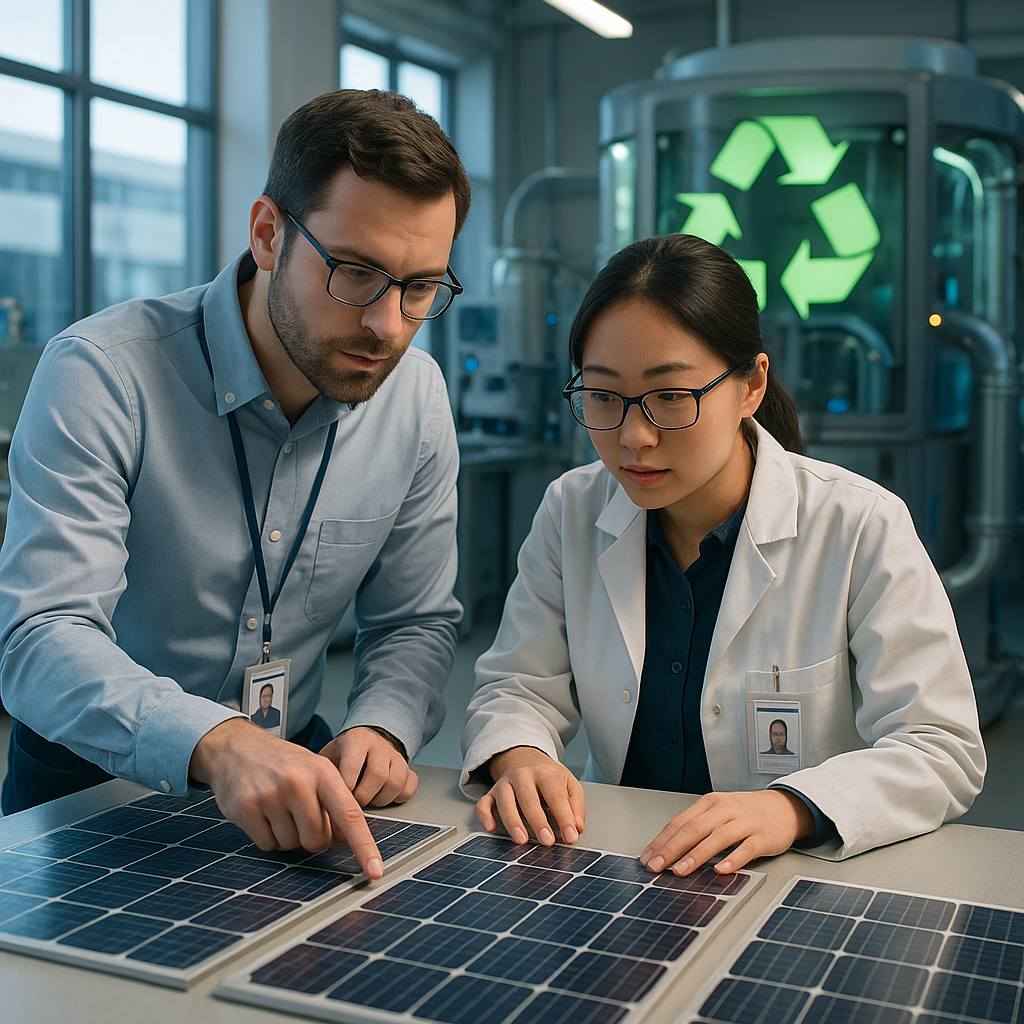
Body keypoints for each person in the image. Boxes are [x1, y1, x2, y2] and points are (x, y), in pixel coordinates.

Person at [0, 89, 471, 879]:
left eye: (420, 287)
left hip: (296, 771)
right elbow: (40, 637)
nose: (388, 324)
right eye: (356, 273)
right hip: (91, 780)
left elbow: (416, 622)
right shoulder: (103, 374)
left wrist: (384, 728)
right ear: (267, 234)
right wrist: (217, 742)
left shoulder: (415, 398)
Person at [461, 233, 985, 874]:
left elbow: (941, 746)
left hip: (790, 878)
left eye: (672, 397)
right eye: (601, 396)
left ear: (750, 387)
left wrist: (790, 808)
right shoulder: (571, 510)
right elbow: (519, 684)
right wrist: (521, 756)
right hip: (615, 863)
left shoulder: (858, 525)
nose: (633, 436)